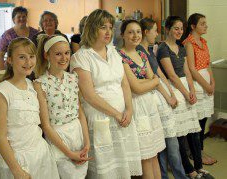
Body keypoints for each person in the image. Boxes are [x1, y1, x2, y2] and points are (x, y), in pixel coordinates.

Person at [71, 9, 142, 178]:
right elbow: (89, 95)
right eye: (103, 27)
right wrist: (117, 114)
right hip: (101, 118)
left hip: (123, 116)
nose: (109, 31)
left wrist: (129, 110)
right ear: (92, 28)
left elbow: (124, 83)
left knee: (123, 168)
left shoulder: (114, 52)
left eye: (110, 27)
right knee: (107, 170)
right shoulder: (81, 57)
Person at [0, 37, 59, 179]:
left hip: (41, 155)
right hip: (16, 160)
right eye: (22, 57)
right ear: (9, 60)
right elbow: (0, 137)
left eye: (31, 57)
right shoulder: (1, 92)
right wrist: (16, 170)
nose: (28, 62)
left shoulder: (33, 86)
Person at [157, 16, 212, 179]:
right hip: (174, 89)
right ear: (167, 29)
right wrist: (185, 93)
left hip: (186, 89)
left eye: (181, 28)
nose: (179, 31)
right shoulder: (163, 48)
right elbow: (172, 76)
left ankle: (199, 167)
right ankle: (190, 171)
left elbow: (187, 71)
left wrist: (192, 90)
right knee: (180, 134)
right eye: (176, 28)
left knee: (194, 131)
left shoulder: (181, 46)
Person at [33, 35, 91, 178]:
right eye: (58, 54)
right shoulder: (40, 84)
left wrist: (87, 143)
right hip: (58, 139)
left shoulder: (73, 78)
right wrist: (70, 153)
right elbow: (46, 125)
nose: (64, 58)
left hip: (78, 135)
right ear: (47, 55)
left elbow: (80, 113)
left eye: (67, 53)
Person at [138, 18, 187, 179]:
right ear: (146, 32)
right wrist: (168, 97)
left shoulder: (149, 50)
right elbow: (154, 80)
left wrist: (171, 92)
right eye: (154, 30)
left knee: (167, 141)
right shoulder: (140, 51)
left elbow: (160, 74)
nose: (156, 33)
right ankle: (177, 175)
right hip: (155, 97)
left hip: (163, 94)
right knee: (167, 143)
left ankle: (171, 175)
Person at [118, 19, 166, 179]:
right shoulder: (120, 57)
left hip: (150, 105)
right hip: (137, 107)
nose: (135, 35)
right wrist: (149, 82)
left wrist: (146, 82)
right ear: (122, 35)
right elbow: (135, 88)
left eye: (138, 31)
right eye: (130, 32)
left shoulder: (141, 53)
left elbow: (155, 78)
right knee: (146, 155)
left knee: (155, 154)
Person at [183, 13, 216, 166]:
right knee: (197, 122)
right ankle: (196, 152)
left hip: (207, 84)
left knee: (203, 119)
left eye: (205, 23)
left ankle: (200, 150)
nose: (206, 26)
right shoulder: (189, 43)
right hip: (198, 85)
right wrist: (206, 85)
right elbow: (192, 69)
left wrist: (213, 82)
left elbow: (208, 64)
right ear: (193, 26)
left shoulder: (203, 41)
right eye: (202, 23)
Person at [0, 6, 38, 71]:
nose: (21, 19)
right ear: (13, 19)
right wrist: (2, 73)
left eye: (24, 16)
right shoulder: (7, 35)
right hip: (13, 72)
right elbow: (0, 56)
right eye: (19, 17)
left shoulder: (35, 33)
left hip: (33, 70)